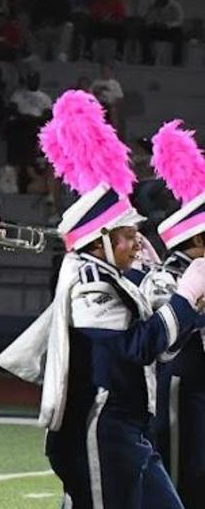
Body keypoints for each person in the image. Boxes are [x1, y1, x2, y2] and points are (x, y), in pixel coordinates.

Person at [0, 91, 203, 509]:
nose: (137, 242)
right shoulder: (90, 282)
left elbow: (155, 346)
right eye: (127, 235)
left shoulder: (114, 277)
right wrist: (185, 296)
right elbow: (137, 346)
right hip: (98, 429)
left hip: (128, 430)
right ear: (99, 242)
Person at [147, 122, 205, 508]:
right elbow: (169, 329)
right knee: (184, 472)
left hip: (197, 385)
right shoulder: (167, 275)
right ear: (197, 240)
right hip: (179, 386)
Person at [140, 0, 187, 66]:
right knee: (144, 32)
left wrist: (168, 25)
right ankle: (148, 59)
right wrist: (152, 22)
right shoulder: (152, 5)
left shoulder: (175, 5)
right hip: (156, 29)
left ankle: (177, 61)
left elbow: (180, 20)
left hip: (169, 30)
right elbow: (145, 18)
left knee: (179, 34)